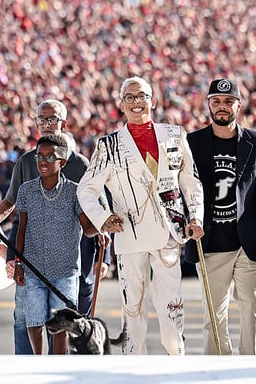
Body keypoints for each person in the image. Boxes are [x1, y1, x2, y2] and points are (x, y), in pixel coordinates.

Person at [76, 76, 205, 355]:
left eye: (142, 96)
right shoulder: (108, 145)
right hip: (129, 235)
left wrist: (195, 216)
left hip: (170, 233)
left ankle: (176, 361)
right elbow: (86, 189)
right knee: (132, 309)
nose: (137, 102)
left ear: (153, 101)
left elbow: (190, 181)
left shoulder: (174, 134)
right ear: (122, 105)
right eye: (130, 98)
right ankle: (134, 370)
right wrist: (103, 218)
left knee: (172, 307)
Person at [0, 99, 110, 354]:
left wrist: (105, 254)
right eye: (41, 120)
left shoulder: (80, 164)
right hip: (30, 258)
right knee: (25, 319)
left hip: (71, 258)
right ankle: (27, 369)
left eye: (52, 119)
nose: (46, 124)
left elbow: (100, 210)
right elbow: (10, 202)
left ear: (63, 123)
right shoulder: (25, 162)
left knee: (69, 321)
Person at [184, 78, 256, 355]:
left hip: (246, 243)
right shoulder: (192, 142)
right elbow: (182, 189)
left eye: (228, 101)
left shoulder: (255, 141)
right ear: (208, 105)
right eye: (216, 101)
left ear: (238, 105)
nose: (222, 106)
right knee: (214, 318)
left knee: (251, 306)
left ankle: (249, 366)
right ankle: (217, 370)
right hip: (211, 242)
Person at [12, 135, 100, 355]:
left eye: (50, 157)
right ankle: (39, 361)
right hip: (33, 268)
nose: (43, 161)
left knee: (61, 321)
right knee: (34, 318)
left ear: (63, 162)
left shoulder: (74, 191)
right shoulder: (26, 190)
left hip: (65, 269)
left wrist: (103, 223)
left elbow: (87, 229)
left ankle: (58, 362)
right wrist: (18, 263)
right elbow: (21, 228)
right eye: (39, 156)